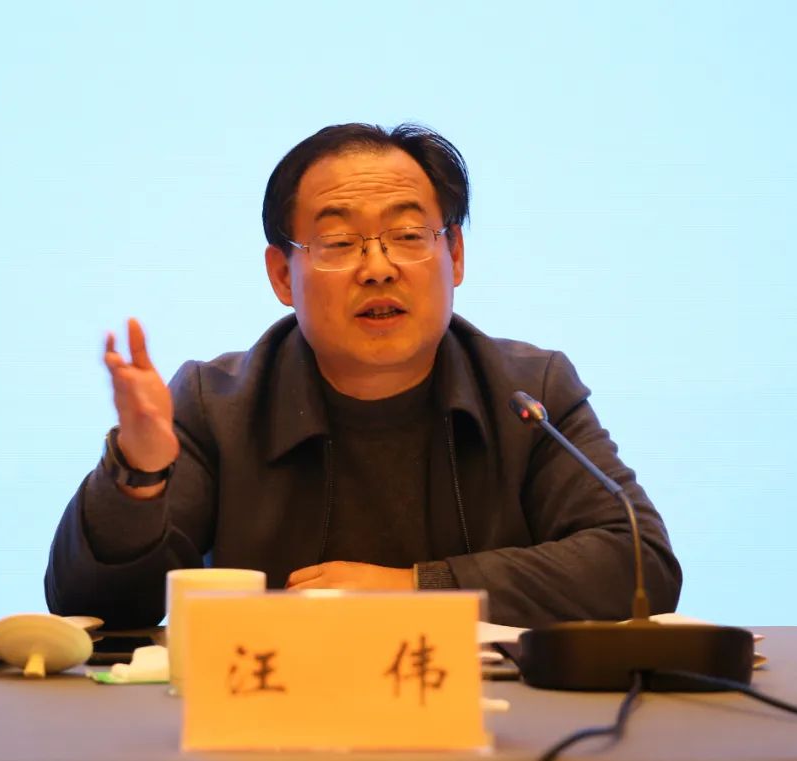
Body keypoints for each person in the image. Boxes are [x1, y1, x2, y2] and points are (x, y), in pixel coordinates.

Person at [44, 123, 682, 629]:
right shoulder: (217, 404)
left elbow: (638, 563)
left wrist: (417, 590)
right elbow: (93, 608)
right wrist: (138, 474)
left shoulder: (529, 394)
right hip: (272, 723)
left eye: (407, 234)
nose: (378, 268)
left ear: (454, 255)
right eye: (339, 243)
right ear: (281, 276)